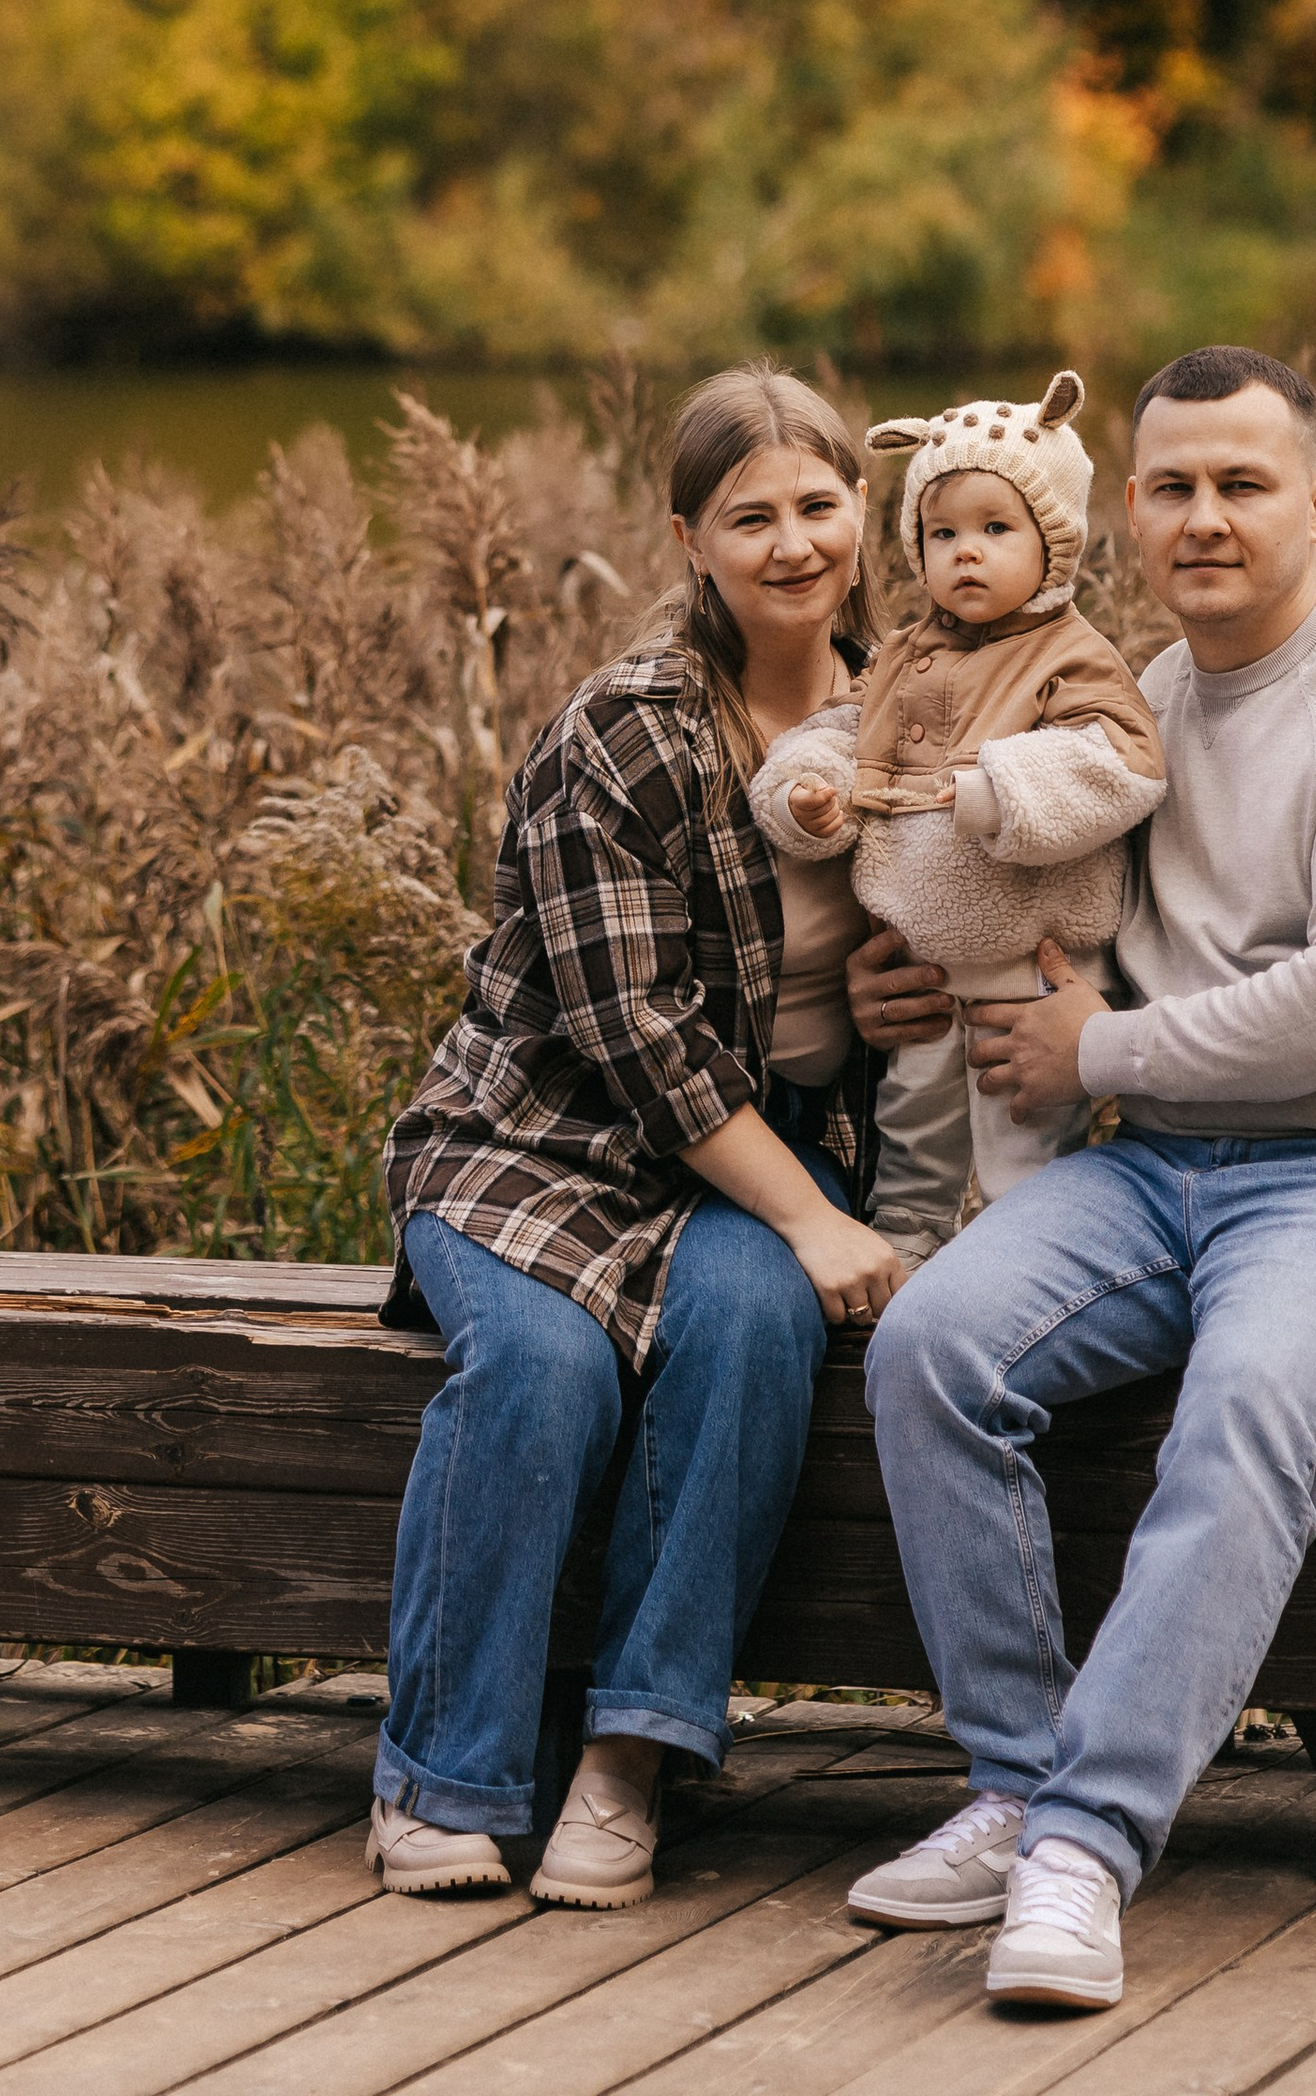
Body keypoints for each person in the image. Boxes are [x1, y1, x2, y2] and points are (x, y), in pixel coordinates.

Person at [845, 344, 1316, 2015]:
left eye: (1241, 483)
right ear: (1126, 511)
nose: (1205, 516)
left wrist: (1101, 1059)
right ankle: (1015, 1784)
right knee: (934, 1346)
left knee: (1246, 1398)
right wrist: (918, 982)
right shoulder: (1130, 702)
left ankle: (1085, 1848)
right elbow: (1026, 909)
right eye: (1173, 486)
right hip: (1160, 1172)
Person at [368, 365, 906, 1914]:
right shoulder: (628, 731)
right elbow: (636, 1034)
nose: (795, 544)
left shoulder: (910, 712)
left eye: (820, 507)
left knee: (746, 1337)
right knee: (540, 1367)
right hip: (542, 1139)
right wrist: (812, 1218)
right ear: (690, 539)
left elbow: (935, 928)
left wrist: (899, 999)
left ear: (860, 515)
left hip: (771, 1149)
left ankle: (632, 1759)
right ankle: (441, 1777)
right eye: (754, 517)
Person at [746, 371, 1163, 1262]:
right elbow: (844, 730)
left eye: (995, 529)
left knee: (1022, 1129)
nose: (965, 553)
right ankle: (908, 1239)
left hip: (1031, 966)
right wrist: (806, 792)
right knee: (914, 1129)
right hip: (922, 962)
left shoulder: (1073, 656)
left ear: (1054, 541)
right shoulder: (904, 654)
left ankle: (1022, 1257)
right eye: (942, 534)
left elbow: (1119, 765)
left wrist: (997, 789)